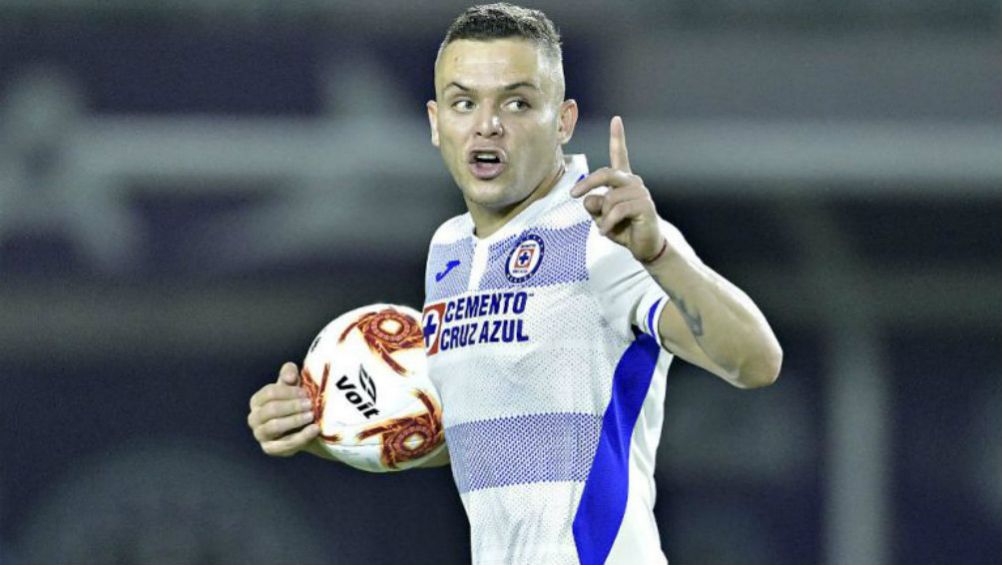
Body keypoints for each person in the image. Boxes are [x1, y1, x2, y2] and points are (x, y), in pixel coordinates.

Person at [247, 4, 782, 564]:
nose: (488, 124)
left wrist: (662, 254)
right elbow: (485, 435)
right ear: (435, 123)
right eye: (464, 102)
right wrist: (321, 427)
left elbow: (756, 361)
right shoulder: (449, 250)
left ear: (564, 121)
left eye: (518, 102)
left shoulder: (604, 234)